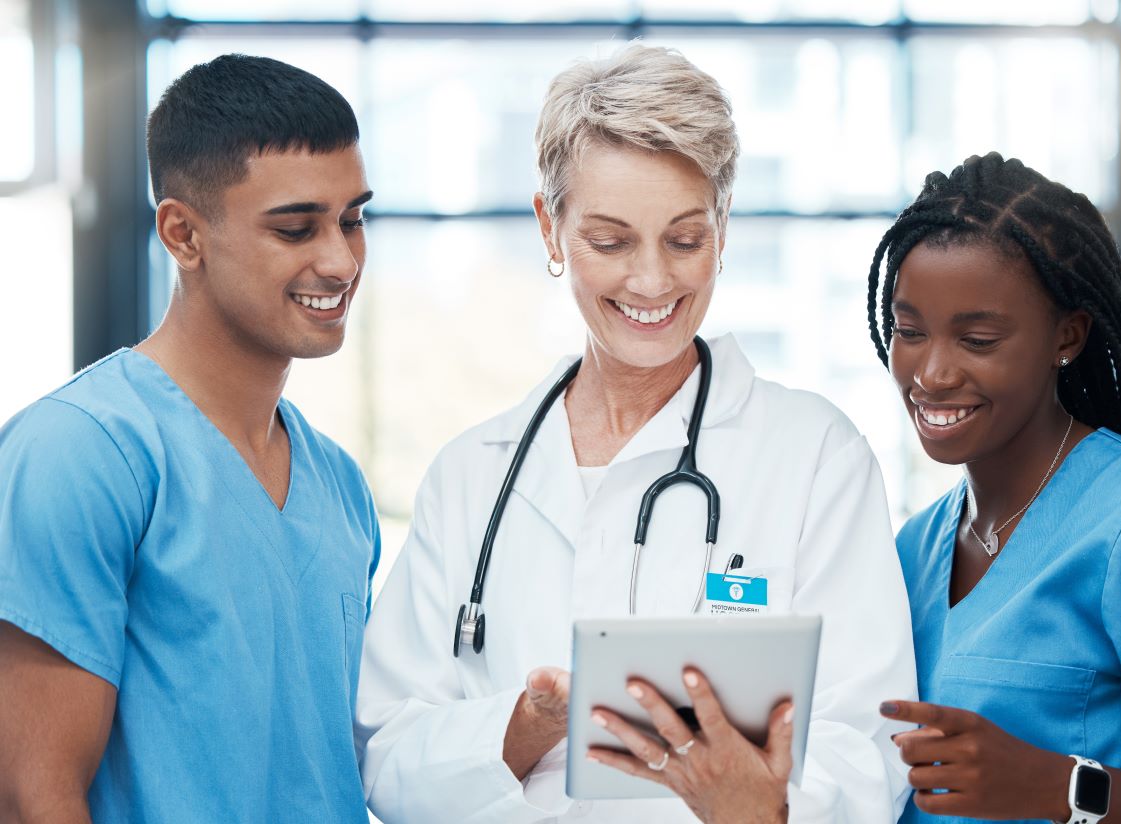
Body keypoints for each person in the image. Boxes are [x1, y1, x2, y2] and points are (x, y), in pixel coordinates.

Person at [356, 44, 916, 824]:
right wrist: (525, 727)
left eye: (685, 239)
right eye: (610, 241)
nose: (651, 281)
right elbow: (385, 747)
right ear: (550, 229)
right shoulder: (470, 476)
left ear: (723, 224)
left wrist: (757, 801)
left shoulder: (816, 457)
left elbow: (870, 747)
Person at [0, 55, 379, 823]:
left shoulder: (339, 485)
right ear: (183, 234)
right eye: (296, 227)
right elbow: (33, 797)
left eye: (353, 219)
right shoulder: (79, 455)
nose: (340, 260)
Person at [867, 152, 1121, 823]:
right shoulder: (912, 547)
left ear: (1067, 337)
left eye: (979, 339)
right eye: (909, 331)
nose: (930, 373)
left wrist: (1062, 787)